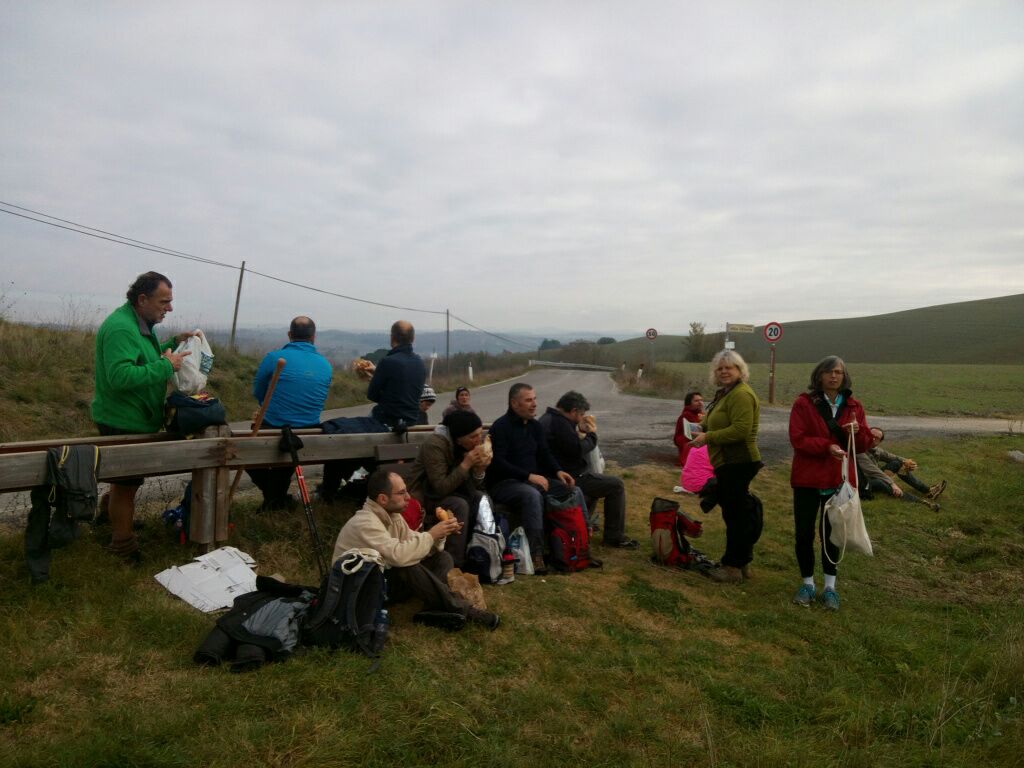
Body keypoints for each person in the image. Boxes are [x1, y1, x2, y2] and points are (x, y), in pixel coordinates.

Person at [92, 271, 193, 562]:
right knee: (126, 487)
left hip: (131, 416)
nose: (169, 308)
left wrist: (174, 341)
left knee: (125, 480)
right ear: (142, 299)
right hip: (122, 419)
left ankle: (108, 515)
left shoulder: (138, 323)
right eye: (164, 302)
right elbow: (120, 376)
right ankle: (123, 545)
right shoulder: (122, 328)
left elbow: (143, 357)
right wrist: (167, 367)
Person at [332, 470, 499, 629]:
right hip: (361, 592)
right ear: (383, 499)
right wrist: (432, 534)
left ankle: (432, 611)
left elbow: (413, 543)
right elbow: (399, 556)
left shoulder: (393, 515)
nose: (408, 497)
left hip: (382, 581)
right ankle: (463, 609)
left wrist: (440, 534)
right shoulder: (365, 523)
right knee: (406, 565)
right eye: (401, 493)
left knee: (443, 558)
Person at [788, 356, 871, 611]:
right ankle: (808, 584)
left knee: (832, 535)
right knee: (804, 533)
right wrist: (827, 446)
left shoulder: (854, 407)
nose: (834, 376)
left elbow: (863, 445)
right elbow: (798, 439)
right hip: (807, 479)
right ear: (819, 375)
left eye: (838, 372)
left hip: (837, 479)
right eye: (828, 372)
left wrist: (858, 433)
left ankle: (830, 587)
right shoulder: (804, 404)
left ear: (844, 376)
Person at [486, 382, 580, 574]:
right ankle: (536, 554)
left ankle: (577, 545)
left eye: (535, 399)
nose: (534, 404)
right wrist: (528, 475)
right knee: (532, 495)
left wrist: (558, 471)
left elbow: (545, 454)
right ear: (514, 403)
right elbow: (498, 463)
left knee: (573, 490)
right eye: (528, 400)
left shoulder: (535, 426)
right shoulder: (500, 427)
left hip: (531, 481)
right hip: (505, 483)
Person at [688, 350, 762, 584]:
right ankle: (742, 562)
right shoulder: (726, 393)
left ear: (740, 370)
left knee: (735, 516)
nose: (723, 372)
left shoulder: (741, 394)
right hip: (727, 461)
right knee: (736, 513)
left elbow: (740, 430)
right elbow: (717, 422)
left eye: (729, 367)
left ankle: (732, 568)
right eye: (720, 368)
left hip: (739, 460)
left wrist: (708, 437)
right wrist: (701, 426)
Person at [246, 317, 333, 510]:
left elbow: (259, 392)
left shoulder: (273, 358)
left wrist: (270, 407)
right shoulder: (326, 365)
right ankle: (277, 499)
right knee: (285, 454)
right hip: (309, 431)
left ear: (289, 335)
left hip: (275, 428)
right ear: (314, 337)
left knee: (243, 449)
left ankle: (274, 498)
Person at [539, 391, 639, 549]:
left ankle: (586, 526)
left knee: (596, 484)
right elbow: (577, 450)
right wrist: (592, 435)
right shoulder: (560, 425)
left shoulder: (548, 418)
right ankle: (614, 536)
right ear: (573, 411)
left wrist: (580, 431)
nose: (581, 418)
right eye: (581, 414)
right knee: (616, 485)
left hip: (556, 474)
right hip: (567, 477)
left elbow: (567, 446)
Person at [407, 409, 491, 567]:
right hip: (424, 496)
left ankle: (482, 555)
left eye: (480, 434)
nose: (478, 440)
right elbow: (440, 487)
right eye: (473, 436)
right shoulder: (435, 445)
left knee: (481, 499)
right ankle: (454, 564)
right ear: (459, 439)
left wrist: (480, 471)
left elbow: (473, 487)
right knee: (459, 505)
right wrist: (466, 464)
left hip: (453, 493)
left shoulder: (466, 447)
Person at [856, 427, 945, 511]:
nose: (873, 438)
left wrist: (908, 462)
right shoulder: (858, 450)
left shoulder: (876, 450)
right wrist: (892, 484)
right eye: (871, 435)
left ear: (880, 442)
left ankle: (928, 491)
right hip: (861, 482)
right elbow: (873, 471)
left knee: (897, 463)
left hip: (873, 476)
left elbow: (892, 457)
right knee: (881, 483)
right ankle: (922, 502)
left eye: (877, 438)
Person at [366, 320, 427, 430]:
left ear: (392, 337)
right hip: (411, 421)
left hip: (388, 421)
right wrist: (377, 371)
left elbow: (372, 395)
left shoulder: (387, 362)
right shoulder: (420, 363)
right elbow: (406, 388)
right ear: (413, 339)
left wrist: (375, 378)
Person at [673, 391, 705, 467]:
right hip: (686, 438)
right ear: (689, 403)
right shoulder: (686, 414)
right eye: (696, 401)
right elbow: (694, 431)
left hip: (694, 436)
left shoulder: (700, 413)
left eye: (701, 400)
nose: (700, 402)